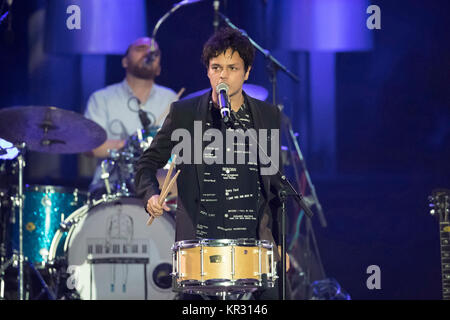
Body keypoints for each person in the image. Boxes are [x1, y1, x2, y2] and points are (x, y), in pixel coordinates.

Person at [135, 27, 290, 300]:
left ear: (247, 72)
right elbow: (146, 163)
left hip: (254, 249)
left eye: (232, 67)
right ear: (207, 70)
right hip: (199, 252)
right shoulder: (183, 114)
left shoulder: (267, 116)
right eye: (216, 67)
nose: (223, 75)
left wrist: (281, 244)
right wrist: (151, 195)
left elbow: (277, 188)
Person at [84, 37, 178, 196]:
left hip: (159, 190)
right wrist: (130, 144)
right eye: (141, 49)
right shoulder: (101, 98)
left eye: (155, 53)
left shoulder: (171, 99)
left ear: (159, 68)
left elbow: (178, 150)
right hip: (109, 189)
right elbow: (89, 147)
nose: (149, 53)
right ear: (125, 61)